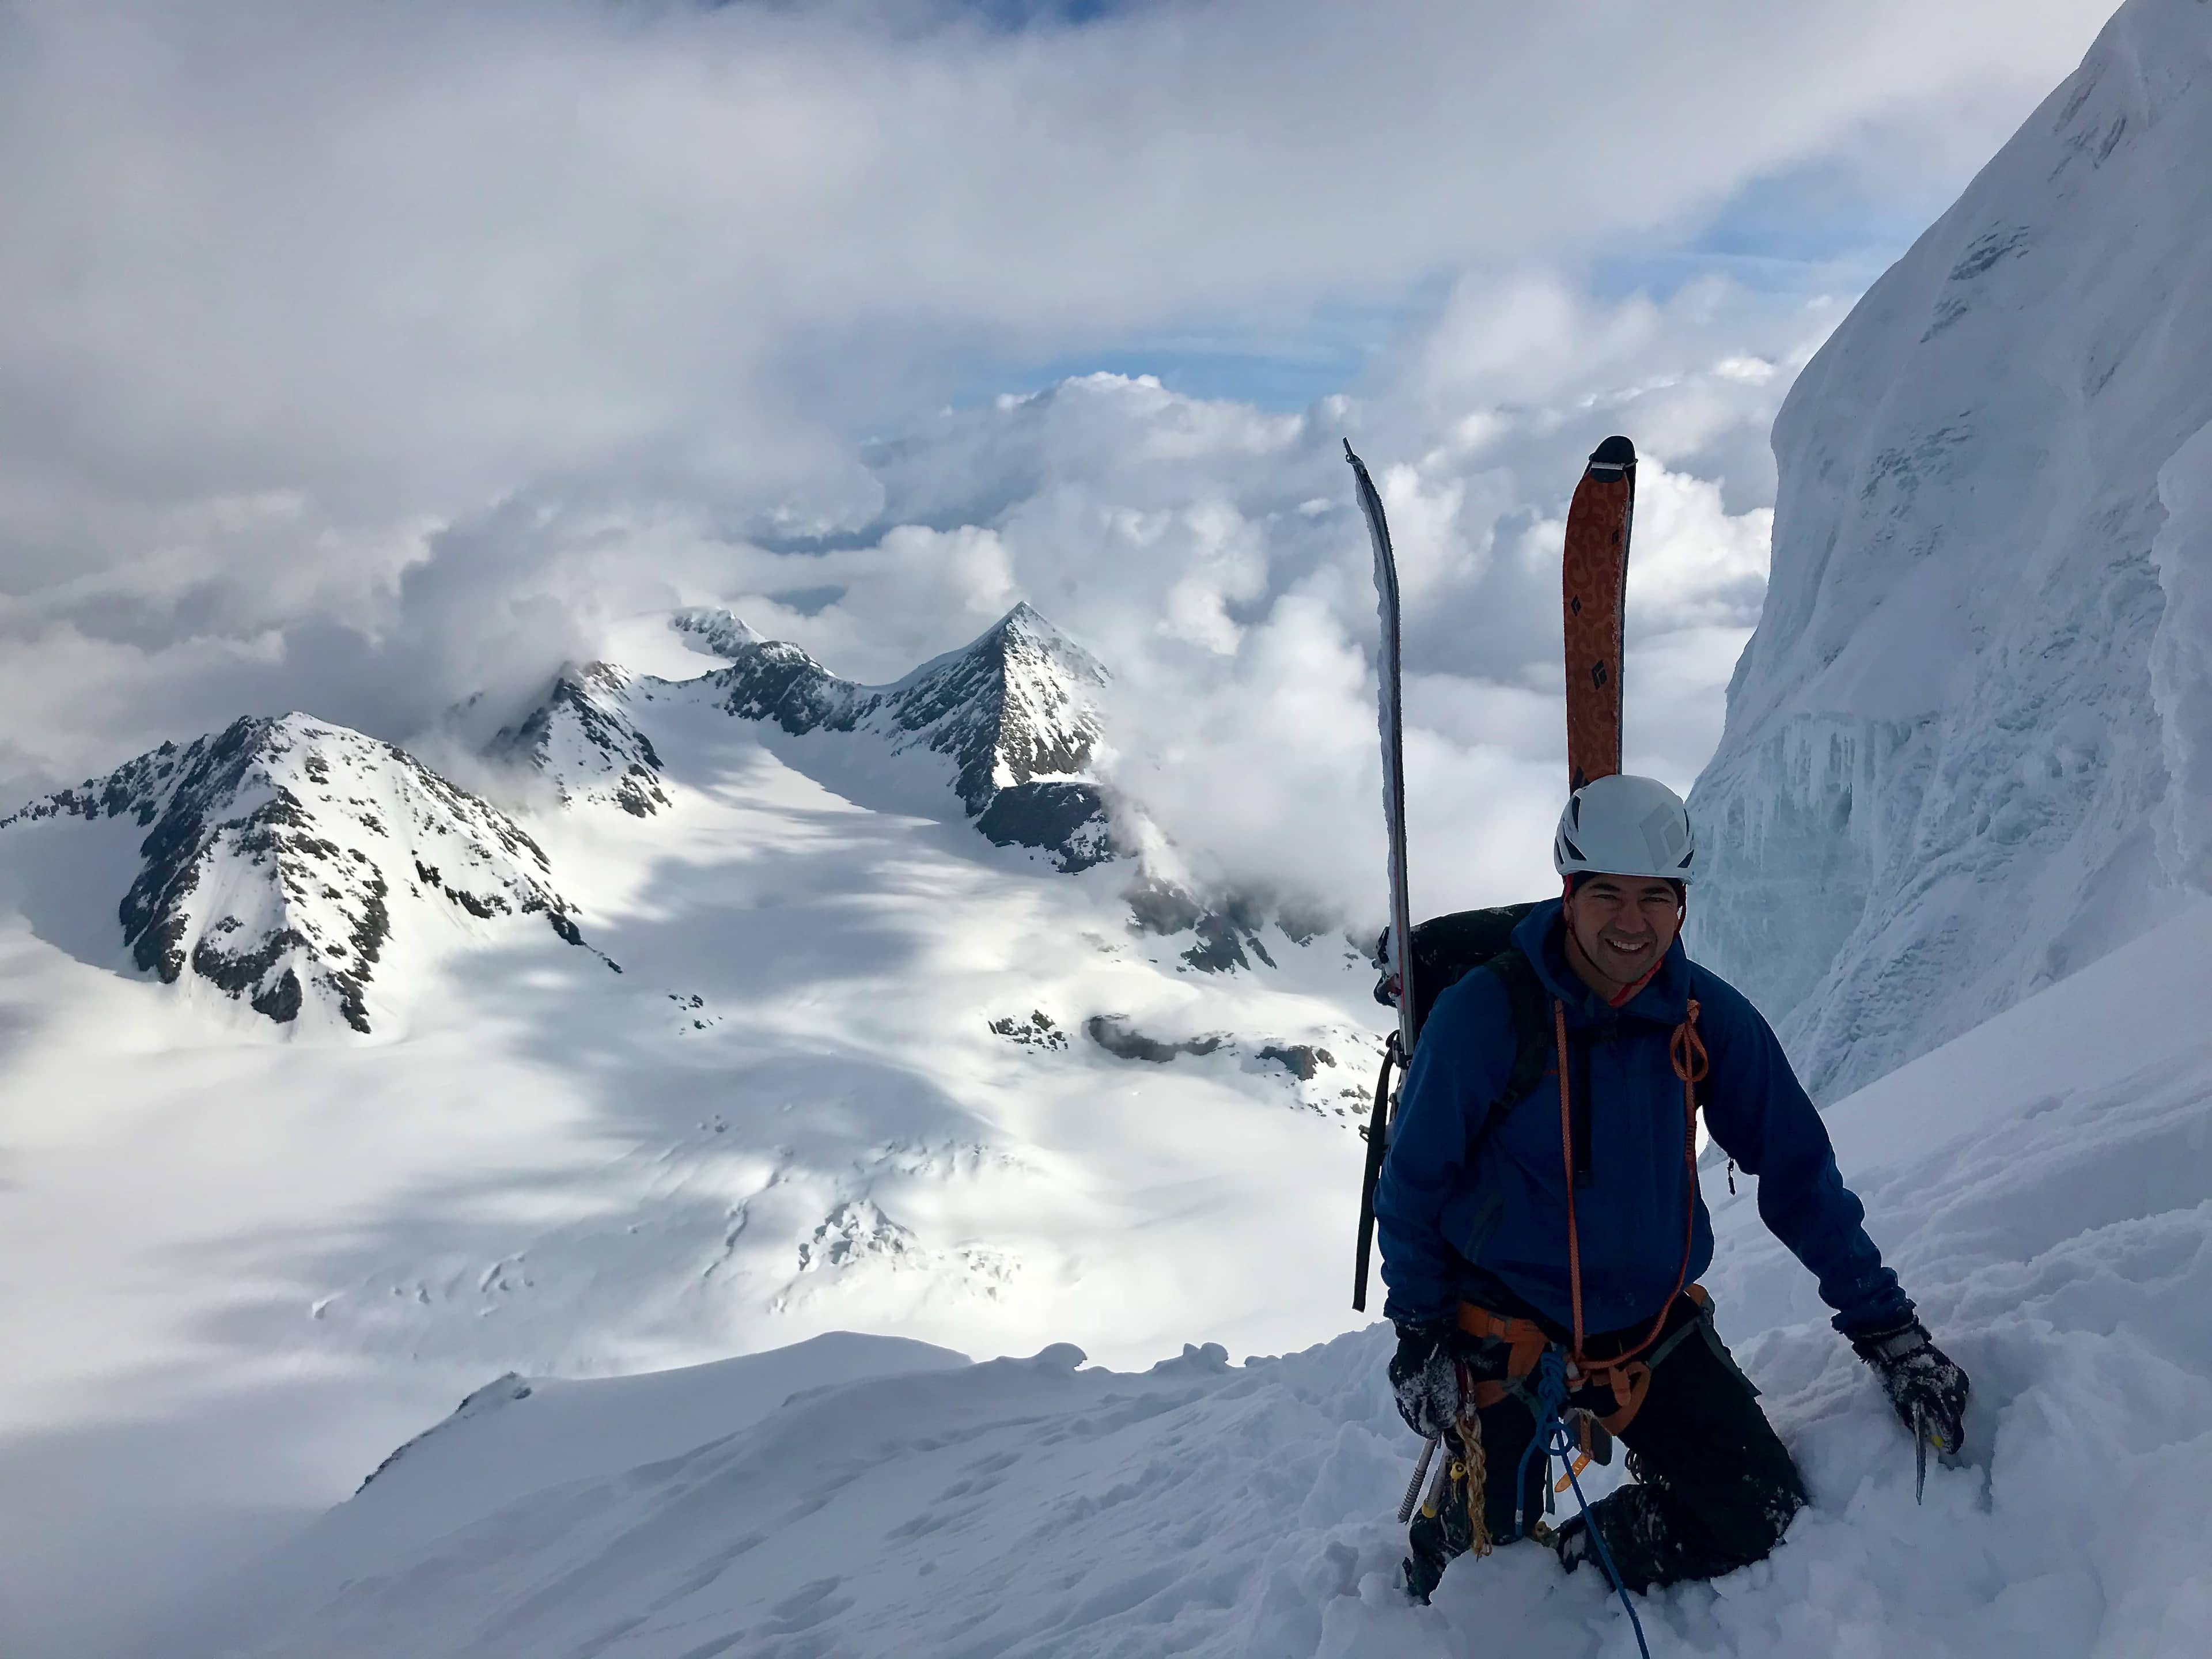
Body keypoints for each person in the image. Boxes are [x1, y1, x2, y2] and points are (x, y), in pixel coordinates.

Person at [1373, 773, 1970, 1602]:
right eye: (1608, 893)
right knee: (1460, 1582)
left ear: (1681, 903)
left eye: (1656, 896)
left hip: (1647, 1332)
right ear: (1570, 893)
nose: (1632, 921)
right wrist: (1421, 1330)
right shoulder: (1487, 1016)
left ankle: (1577, 1566)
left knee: (1759, 1517)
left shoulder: (1701, 1016)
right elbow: (1412, 1183)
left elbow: (1798, 1172)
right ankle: (1458, 1543)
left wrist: (1889, 1330)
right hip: (1506, 1335)